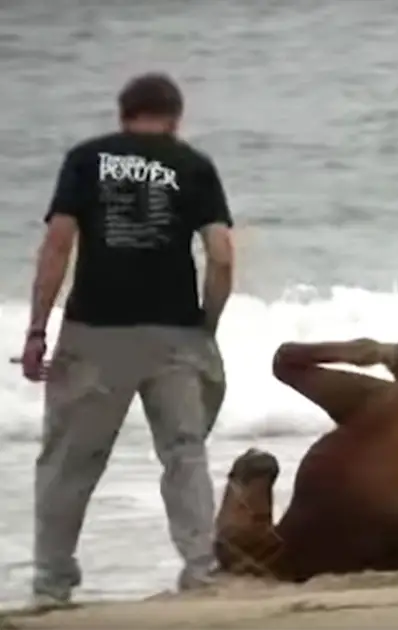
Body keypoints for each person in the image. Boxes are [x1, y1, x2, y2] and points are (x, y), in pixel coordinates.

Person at [18, 72, 235, 608]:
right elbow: (223, 257)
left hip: (95, 332)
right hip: (175, 333)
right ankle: (201, 574)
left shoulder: (85, 159)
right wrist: (206, 325)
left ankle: (51, 587)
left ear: (123, 114)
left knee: (70, 461)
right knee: (184, 455)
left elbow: (57, 245)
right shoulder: (193, 165)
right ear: (176, 117)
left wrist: (38, 329)